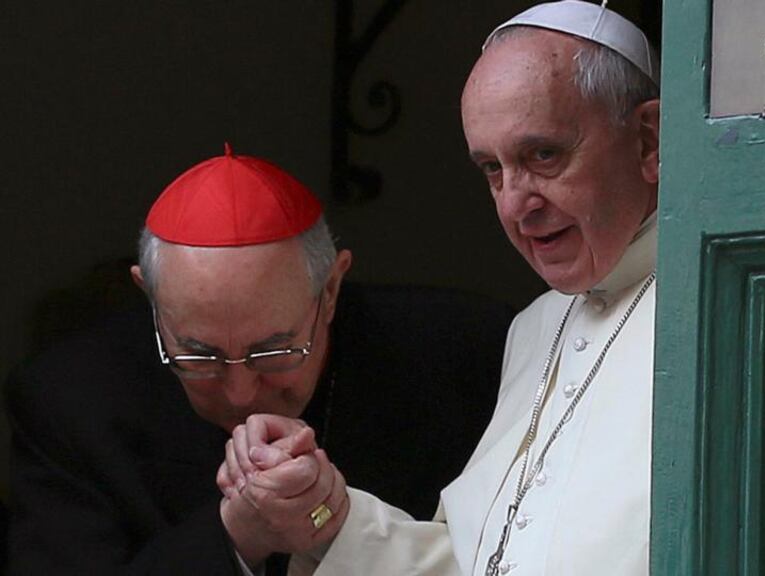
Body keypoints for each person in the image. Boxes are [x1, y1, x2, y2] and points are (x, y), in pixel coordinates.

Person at [229, 2, 662, 574]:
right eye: (491, 168)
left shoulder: (723, 310)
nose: (515, 204)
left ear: (648, 141)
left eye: (543, 154)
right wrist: (326, 514)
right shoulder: (534, 329)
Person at [5, 146, 515, 574]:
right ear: (152, 299)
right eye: (199, 356)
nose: (240, 393)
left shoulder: (464, 352)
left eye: (274, 351)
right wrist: (237, 535)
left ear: (331, 289)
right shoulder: (69, 399)